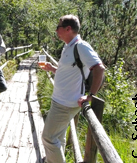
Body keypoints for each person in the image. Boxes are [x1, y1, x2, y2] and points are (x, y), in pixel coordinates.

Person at [40, 15, 105, 163]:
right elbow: (71, 72)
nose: (56, 30)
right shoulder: (69, 46)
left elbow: (99, 69)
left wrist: (90, 96)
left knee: (48, 138)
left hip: (65, 103)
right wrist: (53, 69)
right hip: (61, 100)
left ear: (68, 29)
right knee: (58, 137)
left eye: (58, 27)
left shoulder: (80, 46)